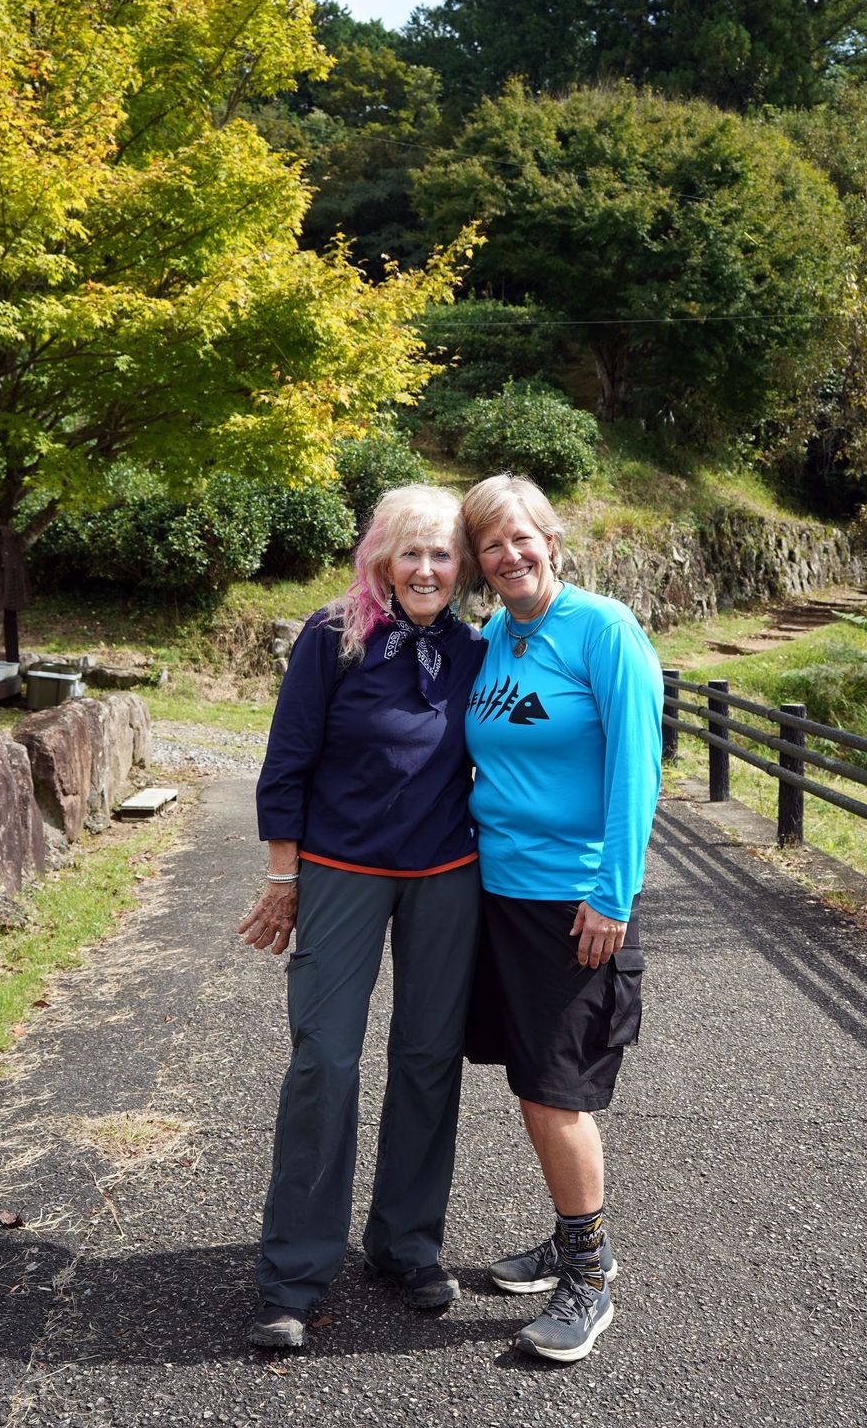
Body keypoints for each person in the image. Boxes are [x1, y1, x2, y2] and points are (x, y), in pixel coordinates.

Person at [241, 484, 488, 1350]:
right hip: (341, 871)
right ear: (382, 557)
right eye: (411, 552)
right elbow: (286, 761)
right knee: (324, 1058)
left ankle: (405, 1244)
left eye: (443, 553)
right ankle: (296, 1270)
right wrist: (283, 878)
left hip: (447, 874)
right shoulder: (330, 635)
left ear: (462, 567)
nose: (426, 568)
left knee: (428, 1057)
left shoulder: (475, 650)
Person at [459, 472, 663, 1364]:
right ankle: (569, 1235)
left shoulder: (603, 630)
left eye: (521, 536)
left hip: (573, 901)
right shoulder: (493, 640)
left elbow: (636, 769)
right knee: (531, 1082)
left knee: (559, 1088)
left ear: (551, 537)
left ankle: (589, 1271)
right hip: (496, 894)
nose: (509, 555)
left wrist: (614, 894)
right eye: (491, 544)